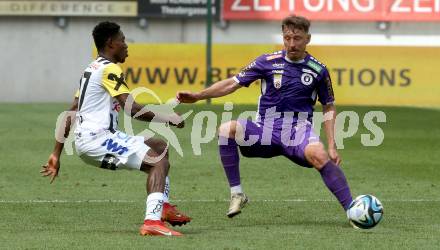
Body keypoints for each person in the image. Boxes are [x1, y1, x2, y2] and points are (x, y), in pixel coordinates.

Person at [177, 15, 353, 219]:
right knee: (226, 130)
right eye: (287, 38)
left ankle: (352, 210)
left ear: (308, 39)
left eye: (297, 38)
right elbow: (232, 83)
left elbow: (329, 106)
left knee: (320, 155)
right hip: (265, 132)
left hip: (297, 132)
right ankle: (237, 194)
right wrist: (198, 96)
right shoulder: (266, 62)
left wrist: (332, 144)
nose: (291, 43)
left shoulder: (318, 70)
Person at [41, 21, 191, 236]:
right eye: (122, 40)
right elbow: (131, 108)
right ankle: (151, 221)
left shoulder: (92, 69)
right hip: (97, 139)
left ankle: (162, 207)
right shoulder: (110, 69)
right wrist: (167, 118)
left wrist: (56, 153)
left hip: (92, 139)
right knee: (156, 161)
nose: (126, 45)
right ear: (111, 43)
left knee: (160, 147)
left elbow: (72, 111)